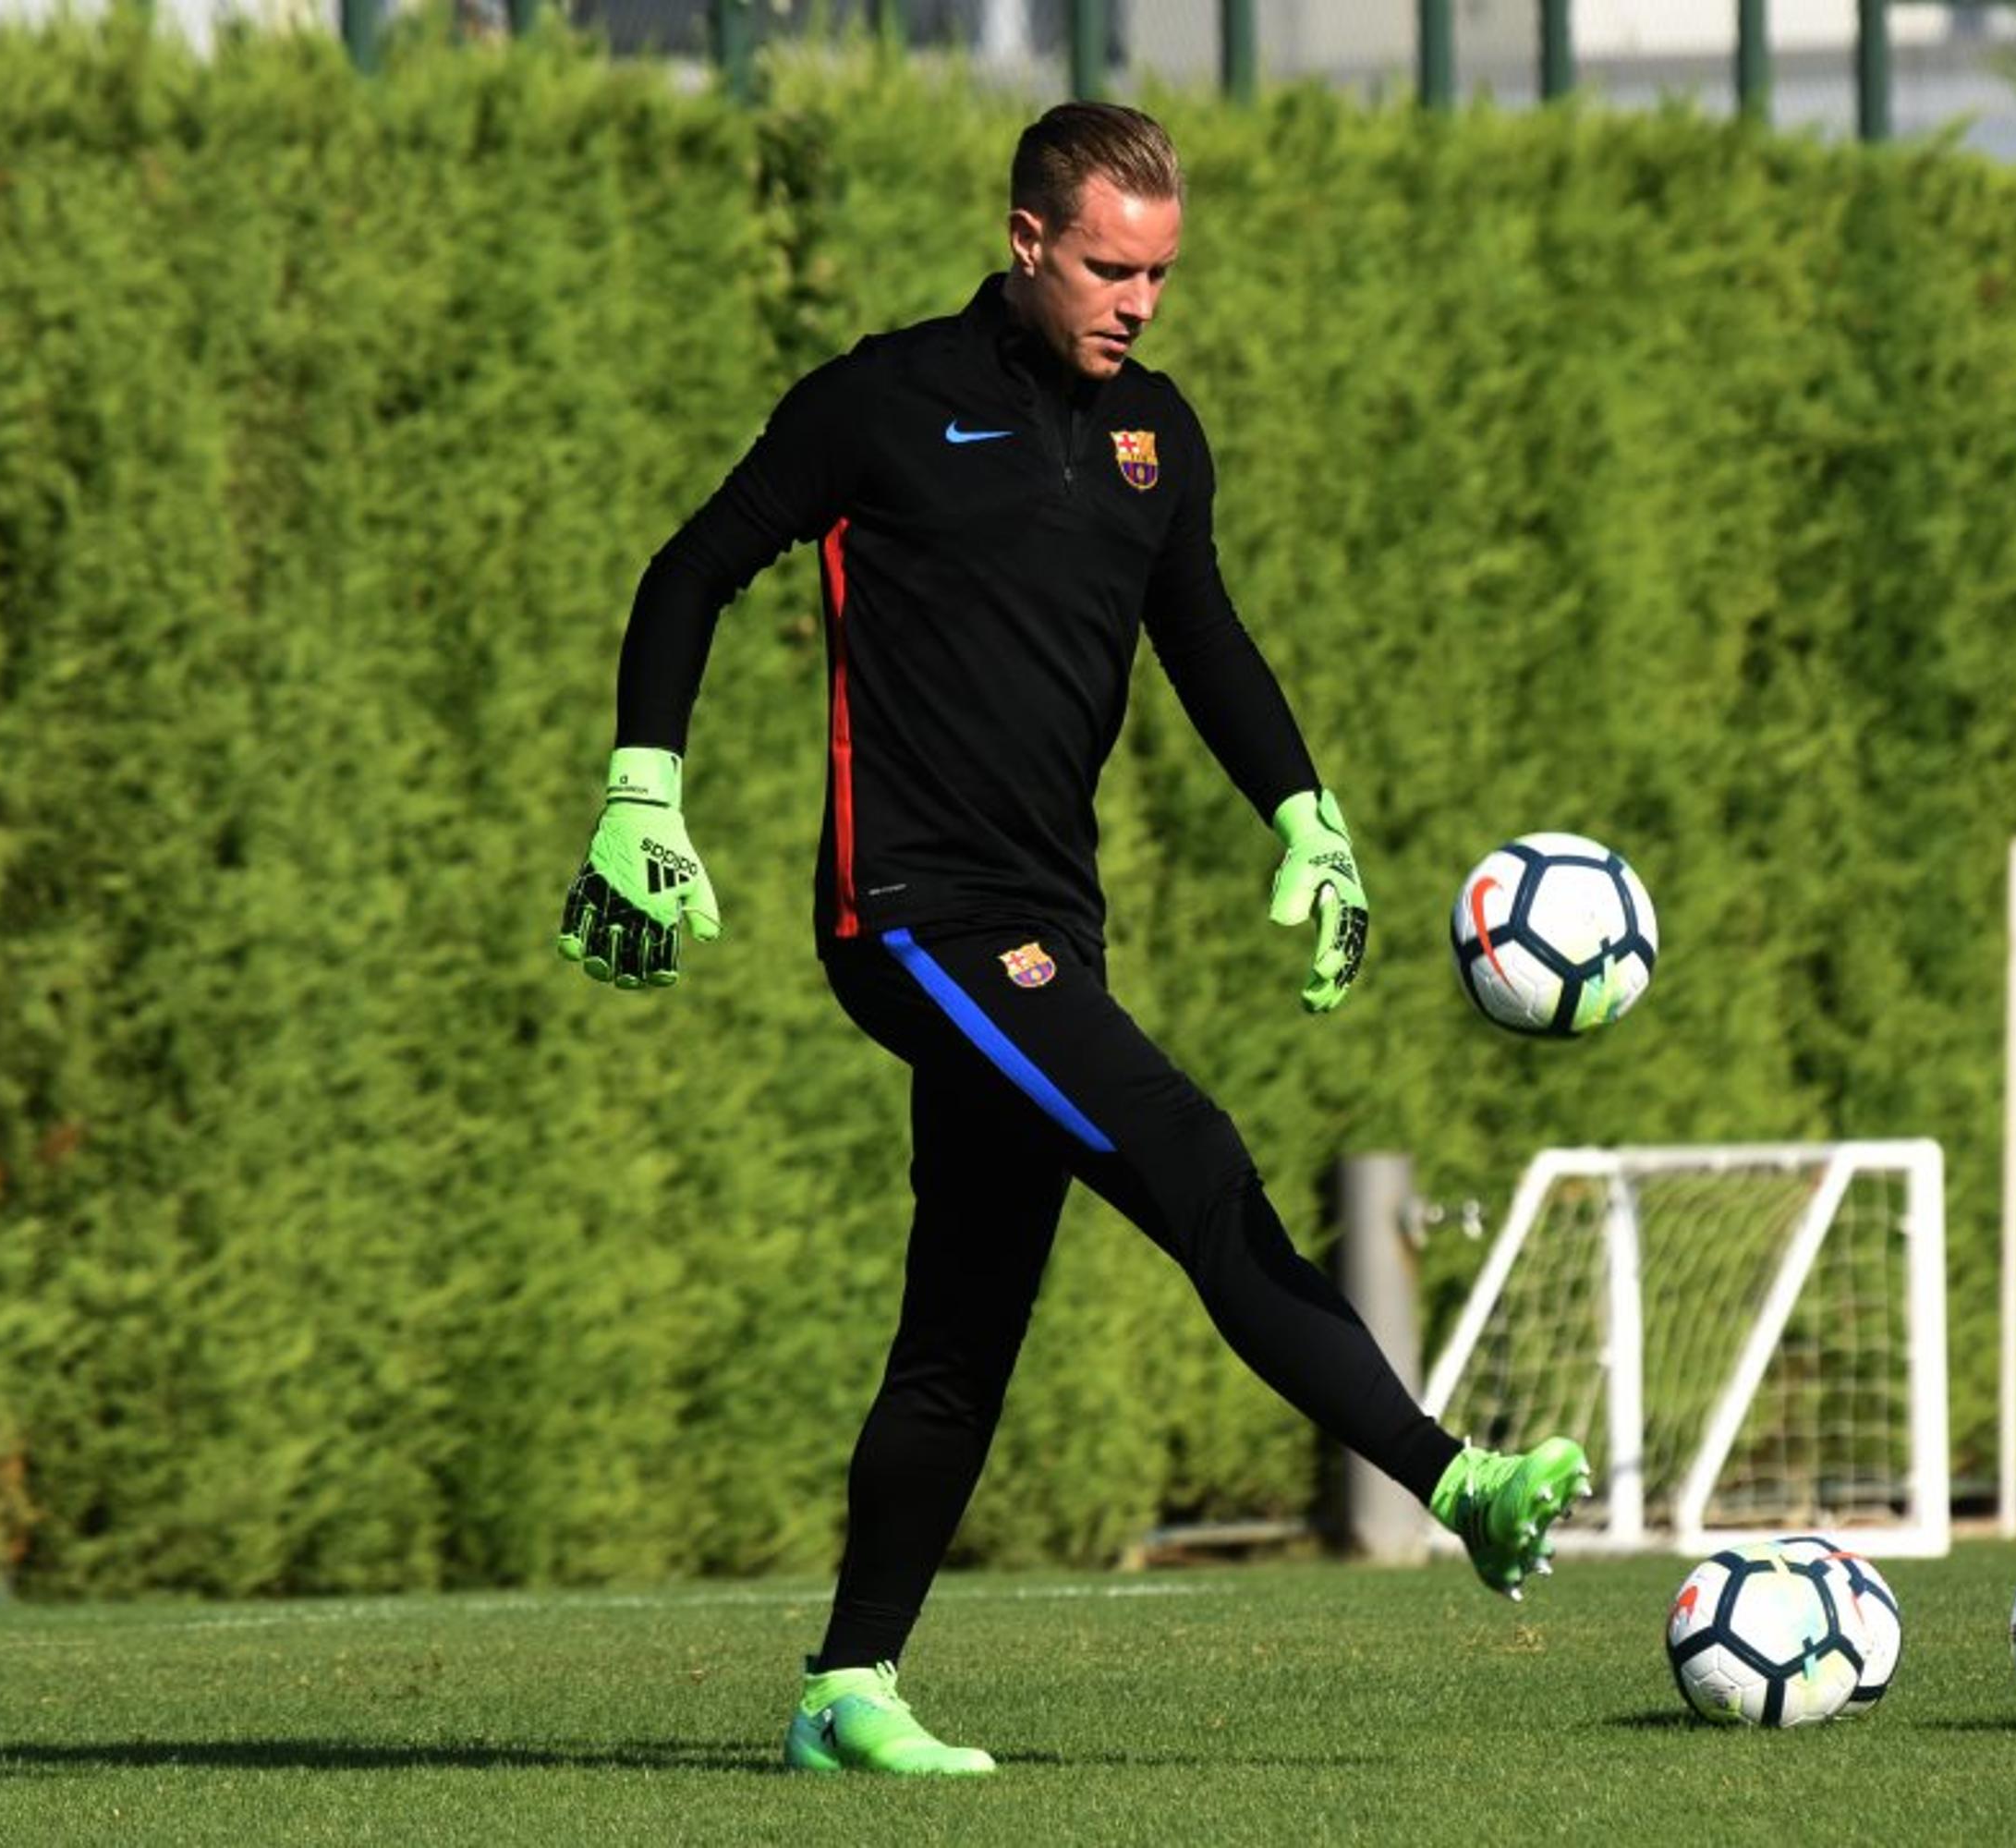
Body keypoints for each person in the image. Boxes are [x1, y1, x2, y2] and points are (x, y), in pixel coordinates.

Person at [557, 101, 1587, 1777]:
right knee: (1189, 1152)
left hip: (1045, 927)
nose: (1140, 301)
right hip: (907, 920)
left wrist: (1305, 819)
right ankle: (1454, 1477)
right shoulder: (880, 404)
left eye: (1164, 272)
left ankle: (847, 1692)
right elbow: (691, 568)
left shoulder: (1157, 439)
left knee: (963, 1329)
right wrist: (640, 794)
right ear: (1028, 238)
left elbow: (1206, 635)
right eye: (1111, 266)